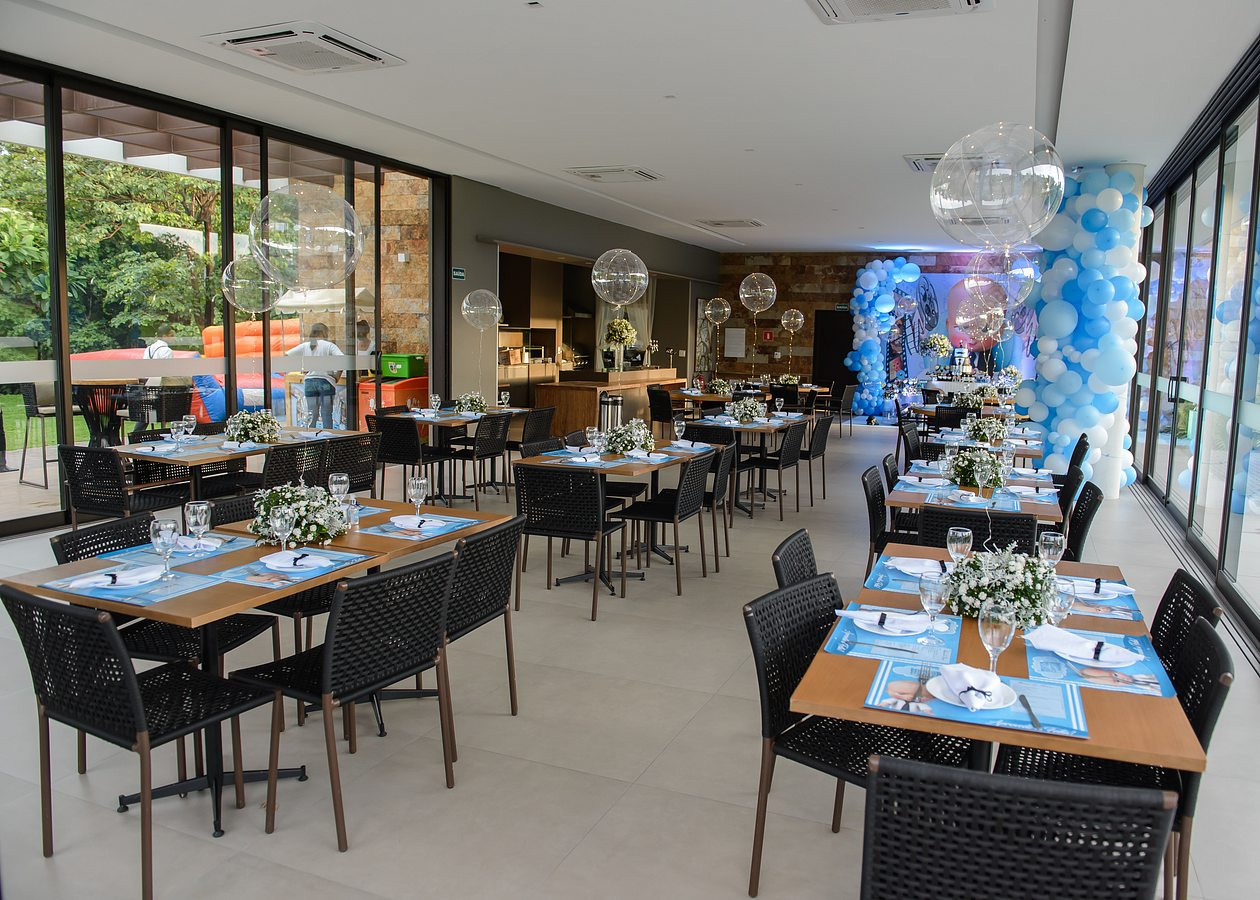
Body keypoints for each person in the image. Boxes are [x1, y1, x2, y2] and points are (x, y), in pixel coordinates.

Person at [286, 323, 344, 429]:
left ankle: (311, 435)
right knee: (326, 413)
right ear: (324, 332)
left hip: (309, 382)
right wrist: (337, 375)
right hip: (326, 382)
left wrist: (302, 367)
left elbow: (287, 355)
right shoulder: (329, 345)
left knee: (312, 414)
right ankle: (328, 437)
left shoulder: (305, 345)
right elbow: (342, 358)